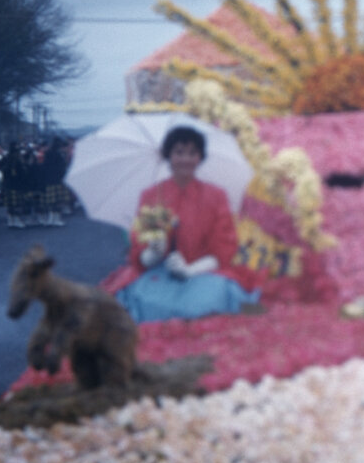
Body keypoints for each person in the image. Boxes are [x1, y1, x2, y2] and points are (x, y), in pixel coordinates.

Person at [103, 125, 262, 322]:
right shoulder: (153, 196)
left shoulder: (216, 196)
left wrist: (190, 270)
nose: (186, 159)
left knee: (202, 304)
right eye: (179, 152)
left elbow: (223, 251)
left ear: (200, 157)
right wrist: (155, 252)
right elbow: (140, 252)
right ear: (168, 155)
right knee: (146, 301)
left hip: (206, 272)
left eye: (192, 153)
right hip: (161, 274)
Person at [0, 142, 30, 229]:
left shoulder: (7, 158)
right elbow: (22, 173)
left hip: (8, 184)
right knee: (16, 204)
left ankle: (11, 220)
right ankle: (16, 220)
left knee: (11, 204)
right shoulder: (15, 159)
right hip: (16, 184)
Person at [40, 138, 70, 227]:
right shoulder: (58, 155)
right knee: (57, 201)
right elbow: (62, 168)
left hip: (48, 180)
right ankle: (56, 219)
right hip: (57, 180)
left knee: (51, 202)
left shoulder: (47, 153)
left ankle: (50, 219)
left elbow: (44, 167)